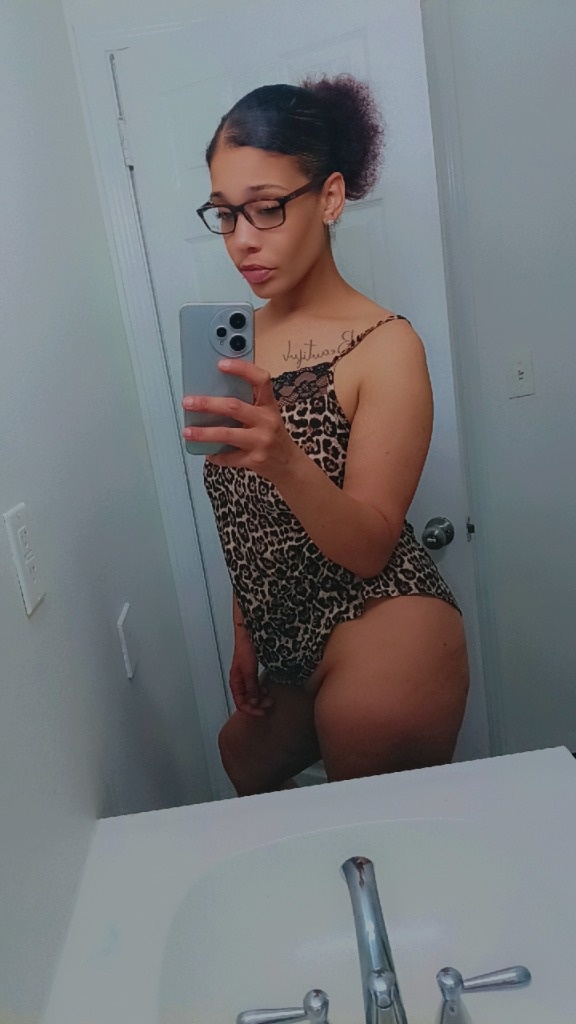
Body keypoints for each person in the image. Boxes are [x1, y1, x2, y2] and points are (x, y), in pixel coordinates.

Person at [182, 73, 469, 795]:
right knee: (240, 756)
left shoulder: (385, 345)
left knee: (375, 841)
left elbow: (371, 547)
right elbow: (246, 516)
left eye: (267, 208)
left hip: (383, 621)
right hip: (284, 639)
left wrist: (285, 459)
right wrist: (246, 634)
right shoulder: (238, 347)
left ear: (331, 198)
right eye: (225, 214)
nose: (242, 240)